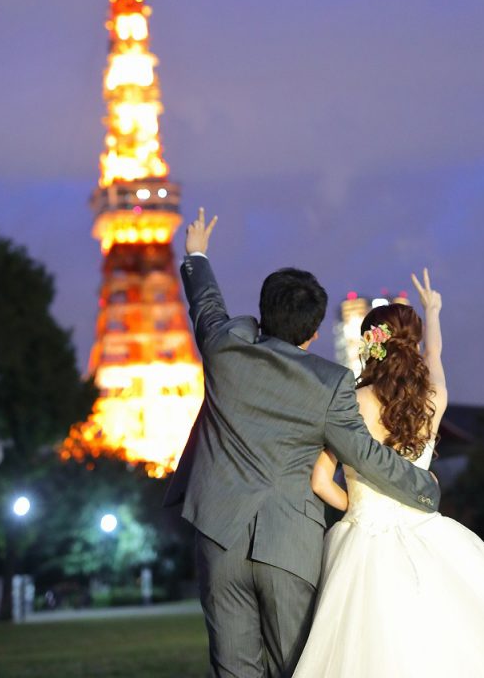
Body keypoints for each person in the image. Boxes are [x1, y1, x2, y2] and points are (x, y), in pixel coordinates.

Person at [163, 210, 440, 678]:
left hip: (219, 537)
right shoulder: (330, 383)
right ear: (313, 333)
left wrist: (196, 252)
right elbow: (365, 455)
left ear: (264, 312)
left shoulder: (223, 349)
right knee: (298, 668)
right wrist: (423, 487)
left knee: (233, 670)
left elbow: (206, 305)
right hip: (290, 546)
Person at [293, 270, 484, 678]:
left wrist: (357, 508)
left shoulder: (349, 403)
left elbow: (319, 482)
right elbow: (437, 357)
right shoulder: (433, 398)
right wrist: (433, 310)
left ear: (369, 345)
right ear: (413, 345)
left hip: (363, 540)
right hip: (429, 531)